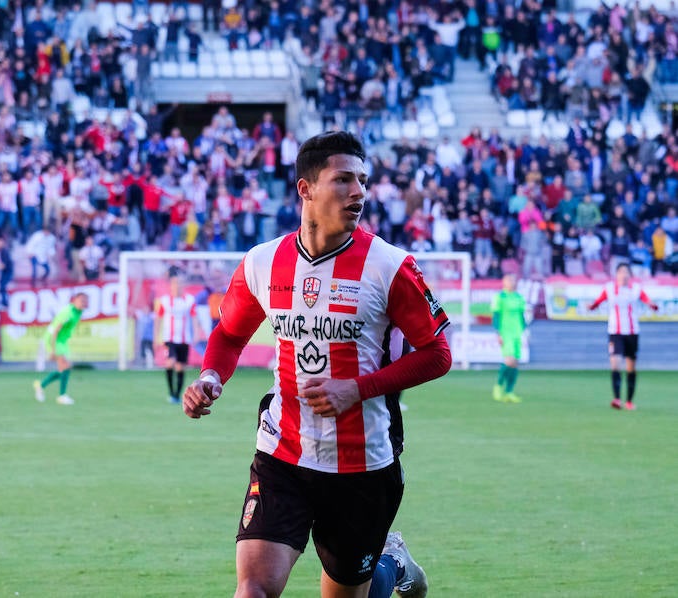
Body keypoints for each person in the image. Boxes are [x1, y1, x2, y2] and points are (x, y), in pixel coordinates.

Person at [183, 132, 450, 598]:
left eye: (362, 181)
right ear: (306, 189)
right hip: (283, 452)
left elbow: (438, 354)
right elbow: (228, 335)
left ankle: (393, 563)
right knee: (252, 591)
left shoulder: (390, 266)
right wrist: (210, 376)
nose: (359, 192)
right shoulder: (262, 262)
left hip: (363, 461)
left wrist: (358, 388)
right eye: (343, 179)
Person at [588, 263, 659, 410]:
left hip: (632, 333)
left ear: (630, 275)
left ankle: (629, 401)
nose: (624, 275)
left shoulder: (636, 289)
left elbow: (647, 300)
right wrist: (592, 306)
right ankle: (617, 399)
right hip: (615, 332)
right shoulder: (610, 289)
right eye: (621, 272)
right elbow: (598, 301)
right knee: (615, 363)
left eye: (626, 272)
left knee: (630, 368)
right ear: (617, 274)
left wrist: (652, 305)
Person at [33, 293, 89, 405]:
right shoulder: (68, 313)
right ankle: (61, 396)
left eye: (85, 301)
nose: (84, 303)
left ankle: (41, 385)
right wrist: (53, 350)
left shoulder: (78, 312)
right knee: (66, 366)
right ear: (74, 300)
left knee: (64, 369)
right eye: (81, 300)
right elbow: (55, 330)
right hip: (54, 339)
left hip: (62, 341)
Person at [155, 271, 201, 404]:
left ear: (183, 285)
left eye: (180, 283)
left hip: (184, 338)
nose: (177, 286)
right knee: (170, 362)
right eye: (175, 283)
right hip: (169, 338)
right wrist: (156, 337)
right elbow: (158, 319)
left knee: (180, 367)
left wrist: (196, 333)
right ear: (171, 286)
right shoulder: (164, 301)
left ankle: (176, 395)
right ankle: (170, 392)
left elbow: (194, 317)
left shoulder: (189, 300)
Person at [491, 274, 528, 403]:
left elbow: (522, 316)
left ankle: (509, 392)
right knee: (509, 360)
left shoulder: (519, 297)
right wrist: (498, 333)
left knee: (515, 362)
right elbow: (496, 316)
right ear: (504, 282)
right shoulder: (500, 297)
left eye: (514, 280)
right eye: (509, 280)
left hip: (517, 332)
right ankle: (498, 385)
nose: (512, 282)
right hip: (505, 332)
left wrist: (525, 331)